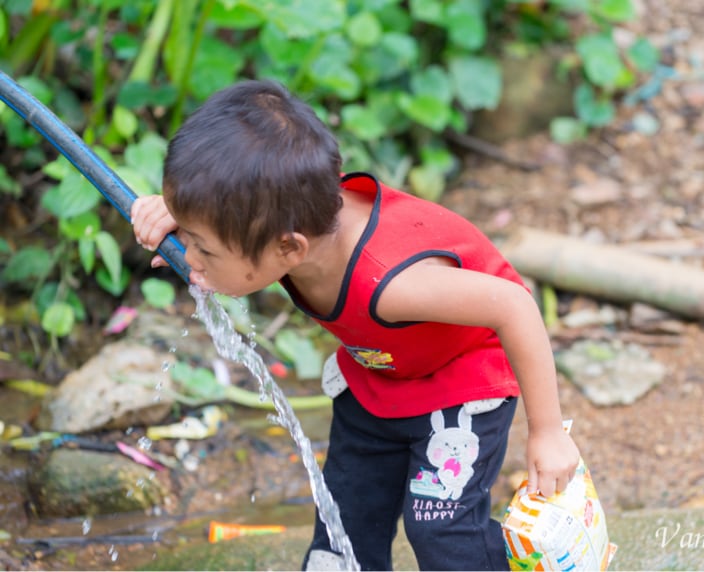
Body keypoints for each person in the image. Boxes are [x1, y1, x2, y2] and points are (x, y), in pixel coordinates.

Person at [132, 79, 580, 571]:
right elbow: (231, 221)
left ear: (289, 249)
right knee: (344, 515)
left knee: (441, 530)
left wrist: (547, 432)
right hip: (379, 380)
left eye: (203, 248)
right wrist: (173, 212)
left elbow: (514, 305)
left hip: (459, 384)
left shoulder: (392, 281)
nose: (188, 257)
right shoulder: (280, 216)